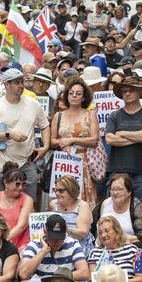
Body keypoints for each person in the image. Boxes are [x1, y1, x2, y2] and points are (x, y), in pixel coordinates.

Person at [0, 68, 50, 200]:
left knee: (29, 203)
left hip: (27, 163)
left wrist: (46, 146)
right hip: (3, 164)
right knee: (4, 206)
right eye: (17, 82)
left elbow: (45, 125)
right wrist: (9, 135)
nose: (21, 85)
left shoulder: (33, 104)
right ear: (7, 85)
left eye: (22, 82)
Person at [105, 74, 142, 212]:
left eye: (131, 90)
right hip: (117, 171)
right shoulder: (114, 115)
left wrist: (121, 133)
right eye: (124, 91)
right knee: (114, 212)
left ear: (139, 91)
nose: (127, 93)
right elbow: (110, 139)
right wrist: (138, 135)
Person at [51, 77, 99, 208]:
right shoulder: (58, 116)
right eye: (71, 93)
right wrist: (61, 142)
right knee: (62, 199)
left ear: (84, 97)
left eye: (78, 93)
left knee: (84, 200)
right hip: (63, 162)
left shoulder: (90, 114)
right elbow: (51, 141)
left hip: (83, 161)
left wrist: (72, 140)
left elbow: (94, 140)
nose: (74, 96)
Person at [0, 162, 34, 251]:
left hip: (20, 244)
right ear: (6, 183)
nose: (21, 188)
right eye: (17, 184)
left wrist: (3, 240)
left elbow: (21, 226)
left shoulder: (27, 200)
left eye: (23, 184)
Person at [89, 216, 142, 282]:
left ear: (117, 232)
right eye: (100, 233)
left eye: (107, 231)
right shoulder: (94, 253)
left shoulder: (135, 250)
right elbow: (94, 281)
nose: (103, 235)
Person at [98, 173, 142, 247]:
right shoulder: (105, 204)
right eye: (112, 189)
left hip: (129, 246)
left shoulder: (137, 206)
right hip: (105, 246)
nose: (115, 193)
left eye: (119, 189)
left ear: (129, 192)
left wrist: (117, 240)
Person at [49, 175, 95, 256]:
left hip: (78, 247)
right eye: (55, 190)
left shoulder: (82, 206)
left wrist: (66, 229)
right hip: (57, 245)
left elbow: (83, 233)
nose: (57, 193)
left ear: (71, 191)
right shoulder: (53, 204)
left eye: (61, 191)